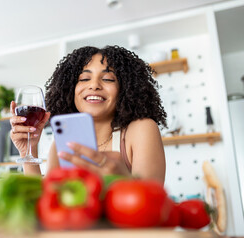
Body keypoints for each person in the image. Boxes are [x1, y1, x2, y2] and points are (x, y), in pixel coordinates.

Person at [10, 45, 167, 184]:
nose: (94, 85)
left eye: (107, 79)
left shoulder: (141, 129)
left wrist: (121, 181)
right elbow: (46, 202)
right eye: (84, 78)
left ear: (125, 89)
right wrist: (29, 151)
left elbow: (150, 201)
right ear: (70, 89)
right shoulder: (62, 142)